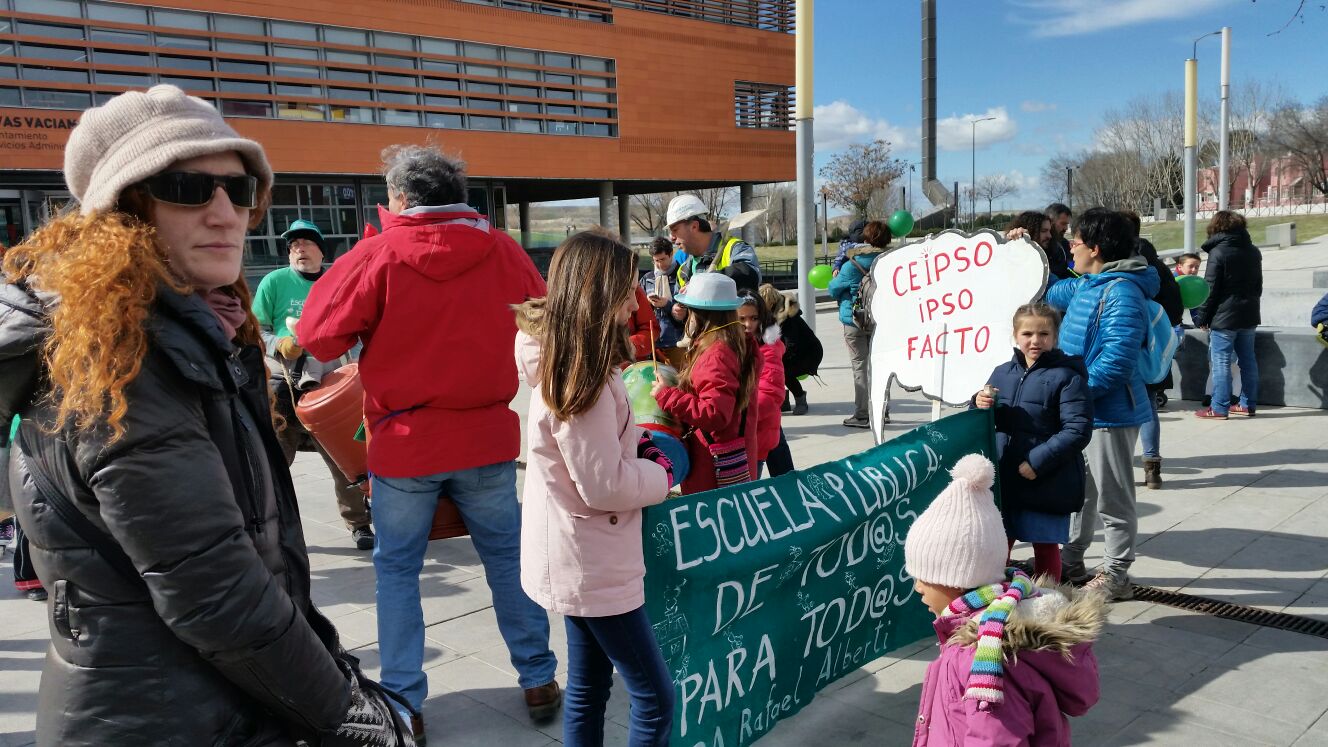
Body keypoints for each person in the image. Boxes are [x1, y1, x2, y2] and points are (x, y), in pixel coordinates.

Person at [0, 85, 407, 745]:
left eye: (239, 189)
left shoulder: (191, 331)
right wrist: (357, 718)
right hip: (159, 717)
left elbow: (257, 563)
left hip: (207, 701)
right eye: (187, 188)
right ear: (124, 213)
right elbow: (218, 595)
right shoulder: (121, 364)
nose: (225, 213)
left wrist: (336, 669)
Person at [298, 144, 558, 740]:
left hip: (405, 444)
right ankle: (539, 676)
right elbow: (544, 321)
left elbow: (317, 334)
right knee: (508, 560)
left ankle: (405, 700)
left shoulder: (378, 253)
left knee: (397, 571)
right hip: (486, 437)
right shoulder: (503, 249)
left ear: (399, 198)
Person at [514, 232, 679, 747]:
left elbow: (593, 459)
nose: (635, 303)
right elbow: (603, 486)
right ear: (600, 295)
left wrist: (634, 445)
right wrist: (662, 476)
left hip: (579, 551)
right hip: (593, 557)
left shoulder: (572, 365)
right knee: (655, 698)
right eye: (629, 291)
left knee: (588, 686)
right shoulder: (581, 380)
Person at [904, 455, 1103, 746]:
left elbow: (995, 737)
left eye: (924, 577)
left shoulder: (984, 656)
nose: (918, 587)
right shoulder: (990, 629)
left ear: (957, 578)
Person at [1044, 208, 1159, 601]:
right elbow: (1048, 289)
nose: (1070, 248)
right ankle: (1071, 561)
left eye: (1074, 241)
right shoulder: (1090, 283)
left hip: (1111, 413)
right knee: (1081, 493)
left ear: (1094, 248)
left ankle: (1116, 575)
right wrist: (1025, 249)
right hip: (1085, 410)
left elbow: (1116, 362)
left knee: (1113, 497)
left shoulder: (1122, 292)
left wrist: (1069, 394)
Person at [252, 218, 373, 549]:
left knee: (347, 461)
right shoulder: (274, 282)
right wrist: (280, 344)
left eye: (306, 243)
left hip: (330, 385)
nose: (299, 249)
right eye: (293, 246)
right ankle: (268, 528)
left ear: (321, 251)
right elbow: (255, 330)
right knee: (274, 464)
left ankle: (359, 523)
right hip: (283, 382)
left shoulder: (338, 283)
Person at [973, 304, 1092, 581]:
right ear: (1015, 335)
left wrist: (1037, 462)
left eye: (1044, 334)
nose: (1035, 340)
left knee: (1045, 544)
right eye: (1027, 334)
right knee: (999, 544)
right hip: (1005, 474)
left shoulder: (1068, 377)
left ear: (1055, 336)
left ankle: (1048, 599)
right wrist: (978, 403)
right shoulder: (1002, 372)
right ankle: (997, 596)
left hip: (1047, 477)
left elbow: (1078, 429)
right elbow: (984, 420)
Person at [651, 272, 761, 494]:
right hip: (732, 452)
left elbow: (715, 414)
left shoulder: (716, 354)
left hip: (714, 465)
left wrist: (668, 395)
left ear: (698, 314)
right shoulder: (736, 342)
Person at [1123, 211, 1182, 489]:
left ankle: (1122, 468)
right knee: (1148, 408)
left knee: (1120, 411)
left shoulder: (1120, 268)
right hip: (1152, 350)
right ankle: (1152, 467)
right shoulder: (1157, 266)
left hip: (1125, 349)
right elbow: (1176, 308)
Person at [1193, 210, 1262, 420]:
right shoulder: (1253, 251)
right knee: (1248, 361)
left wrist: (1202, 317)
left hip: (1224, 317)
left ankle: (1219, 407)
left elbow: (1210, 288)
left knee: (1221, 363)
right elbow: (1258, 286)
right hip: (1248, 314)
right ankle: (1247, 405)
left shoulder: (1218, 252)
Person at [829, 219, 891, 429]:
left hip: (854, 321)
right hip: (881, 321)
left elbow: (833, 289)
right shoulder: (890, 262)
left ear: (865, 238)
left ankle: (862, 415)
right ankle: (883, 411)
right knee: (880, 367)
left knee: (860, 368)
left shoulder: (851, 265)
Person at [738, 290, 793, 477]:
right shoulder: (734, 343)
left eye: (754, 318)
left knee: (750, 487)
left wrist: (735, 415)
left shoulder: (768, 348)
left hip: (756, 434)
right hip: (743, 433)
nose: (748, 324)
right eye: (741, 319)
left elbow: (770, 395)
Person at [665, 194, 761, 293]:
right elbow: (677, 299)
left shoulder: (734, 249)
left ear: (694, 226)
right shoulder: (683, 271)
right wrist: (672, 303)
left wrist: (706, 282)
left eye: (675, 230)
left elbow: (751, 275)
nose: (671, 237)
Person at [760, 283, 823, 416]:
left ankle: (801, 400)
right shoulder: (772, 314)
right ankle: (784, 401)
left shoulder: (788, 317)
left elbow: (791, 343)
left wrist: (775, 359)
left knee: (784, 372)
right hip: (794, 350)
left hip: (808, 352)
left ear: (770, 302)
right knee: (773, 369)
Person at [640, 236, 685, 353]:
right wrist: (647, 302)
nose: (660, 264)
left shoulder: (683, 276)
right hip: (653, 343)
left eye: (663, 259)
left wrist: (667, 304)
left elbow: (688, 312)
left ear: (671, 254)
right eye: (656, 261)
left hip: (677, 342)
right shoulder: (647, 278)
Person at [627, 285, 662, 362]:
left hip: (632, 364)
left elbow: (651, 328)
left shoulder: (635, 289)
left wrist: (632, 345)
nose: (636, 306)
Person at [1044, 202, 1073, 280]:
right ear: (1050, 221)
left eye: (1067, 224)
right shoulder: (1038, 243)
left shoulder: (1065, 243)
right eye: (1063, 224)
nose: (1066, 228)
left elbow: (1071, 265)